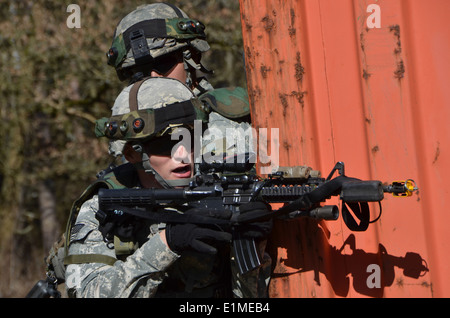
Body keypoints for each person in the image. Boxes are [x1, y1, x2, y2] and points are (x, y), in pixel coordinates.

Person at [64, 77, 272, 297]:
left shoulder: (220, 185)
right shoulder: (105, 208)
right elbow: (87, 292)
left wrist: (251, 245)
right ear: (132, 153)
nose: (182, 155)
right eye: (166, 144)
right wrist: (167, 244)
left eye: (188, 139)